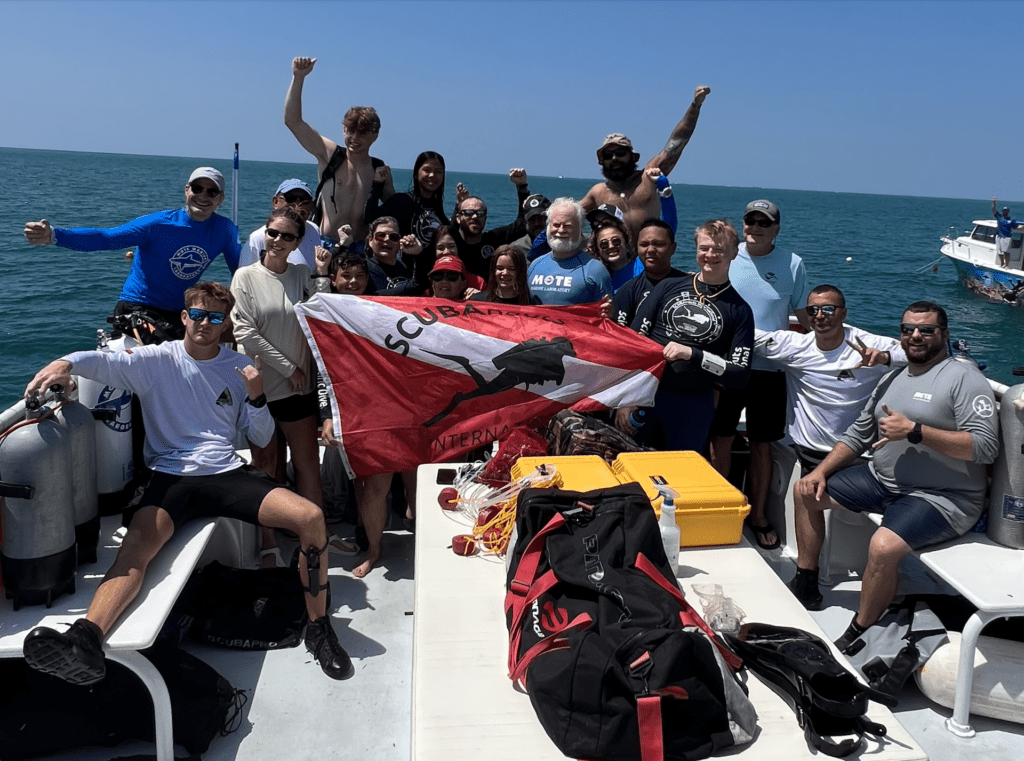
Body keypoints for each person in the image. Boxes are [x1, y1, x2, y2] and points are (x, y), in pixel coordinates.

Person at [20, 282, 354, 682]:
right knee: (134, 551)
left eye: (215, 317)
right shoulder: (155, 360)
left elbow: (263, 438)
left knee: (311, 518)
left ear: (225, 322)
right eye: (197, 314)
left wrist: (257, 396)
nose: (204, 324)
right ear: (184, 317)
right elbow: (100, 362)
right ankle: (86, 638)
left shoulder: (236, 367)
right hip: (170, 477)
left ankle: (319, 630)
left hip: (226, 473)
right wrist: (65, 363)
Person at [792, 302, 999, 649]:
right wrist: (821, 471)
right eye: (907, 329)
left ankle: (861, 631)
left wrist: (917, 430)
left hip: (943, 496)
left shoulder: (965, 379)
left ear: (944, 335)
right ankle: (806, 580)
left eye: (926, 330)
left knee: (883, 547)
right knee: (805, 492)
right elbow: (859, 433)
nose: (915, 336)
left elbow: (985, 447)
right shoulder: (894, 376)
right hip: (882, 480)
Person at [23, 167, 241, 339]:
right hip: (139, 306)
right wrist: (54, 235)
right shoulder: (157, 224)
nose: (203, 196)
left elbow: (241, 272)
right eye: (197, 188)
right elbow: (107, 238)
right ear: (187, 191)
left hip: (179, 312)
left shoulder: (225, 230)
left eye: (211, 192)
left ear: (220, 199)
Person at [708, 199, 811, 550]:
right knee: (720, 437)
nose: (756, 228)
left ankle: (759, 516)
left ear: (776, 229)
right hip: (726, 365)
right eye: (750, 221)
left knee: (761, 443)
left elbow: (804, 318)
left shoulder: (793, 264)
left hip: (769, 369)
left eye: (764, 223)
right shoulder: (725, 254)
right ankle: (720, 508)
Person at [615, 219, 753, 453]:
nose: (709, 255)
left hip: (692, 405)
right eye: (704, 248)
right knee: (632, 468)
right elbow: (633, 343)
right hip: (647, 396)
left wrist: (694, 355)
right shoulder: (668, 287)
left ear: (734, 253)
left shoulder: (740, 310)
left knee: (679, 476)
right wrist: (625, 398)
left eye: (718, 249)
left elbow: (738, 375)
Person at [754, 285, 907, 480]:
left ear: (843, 313)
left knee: (809, 492)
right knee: (804, 492)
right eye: (812, 310)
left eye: (828, 309)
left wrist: (885, 358)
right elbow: (748, 333)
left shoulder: (867, 344)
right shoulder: (796, 347)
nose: (819, 315)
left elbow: (916, 352)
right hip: (810, 451)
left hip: (856, 452)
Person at [284, 56, 394, 244]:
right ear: (343, 130)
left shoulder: (379, 169)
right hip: (326, 243)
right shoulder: (330, 155)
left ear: (375, 136)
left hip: (361, 248)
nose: (354, 138)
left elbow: (393, 207)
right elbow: (293, 122)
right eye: (350, 131)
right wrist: (298, 77)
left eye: (362, 133)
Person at [581, 86, 711, 241]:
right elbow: (566, 215)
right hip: (613, 260)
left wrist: (695, 106)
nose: (614, 158)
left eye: (621, 153)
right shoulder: (598, 192)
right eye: (608, 155)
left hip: (647, 258)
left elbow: (677, 142)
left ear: (633, 157)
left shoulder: (648, 177)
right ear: (602, 162)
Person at [526, 198, 612, 305]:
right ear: (548, 227)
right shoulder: (535, 266)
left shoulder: (596, 270)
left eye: (567, 226)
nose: (561, 230)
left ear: (580, 229)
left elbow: (606, 316)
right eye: (556, 225)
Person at [449, 169, 532, 277]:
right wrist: (458, 205)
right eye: (468, 212)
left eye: (480, 213)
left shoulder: (493, 239)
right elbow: (449, 231)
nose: (474, 217)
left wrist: (522, 186)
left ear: (485, 217)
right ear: (459, 218)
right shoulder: (452, 244)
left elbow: (522, 224)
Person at [612, 218, 688, 328]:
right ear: (636, 249)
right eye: (644, 244)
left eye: (658, 244)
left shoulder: (689, 284)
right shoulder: (628, 291)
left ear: (673, 248)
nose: (651, 249)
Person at [365, 151, 449, 247]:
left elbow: (453, 235)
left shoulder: (436, 207)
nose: (432, 175)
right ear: (416, 174)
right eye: (427, 170)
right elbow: (370, 219)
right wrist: (377, 184)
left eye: (438, 172)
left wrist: (458, 207)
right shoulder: (402, 201)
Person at [241, 179, 320, 269]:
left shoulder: (315, 230)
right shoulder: (257, 238)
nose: (297, 205)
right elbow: (245, 276)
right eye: (291, 199)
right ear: (276, 202)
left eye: (304, 200)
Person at [588, 217, 643, 293]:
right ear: (598, 251)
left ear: (626, 244)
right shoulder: (601, 279)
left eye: (616, 241)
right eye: (604, 244)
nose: (611, 246)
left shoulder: (643, 263)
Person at [469, 245, 537, 305]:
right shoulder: (476, 301)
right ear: (493, 270)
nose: (505, 273)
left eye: (511, 269)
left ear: (520, 272)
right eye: (500, 268)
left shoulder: (531, 302)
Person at [991, 197, 1024, 268]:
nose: (1004, 212)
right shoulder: (999, 217)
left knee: (1006, 251)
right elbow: (993, 210)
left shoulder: (1011, 220)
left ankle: (1007, 265)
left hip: (1007, 238)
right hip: (999, 236)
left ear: (1008, 212)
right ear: (1002, 211)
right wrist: (994, 202)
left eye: (1006, 211)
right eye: (1004, 211)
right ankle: (1002, 263)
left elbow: (1015, 226)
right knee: (999, 252)